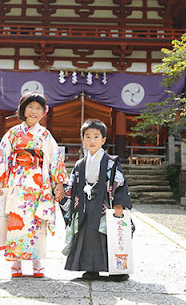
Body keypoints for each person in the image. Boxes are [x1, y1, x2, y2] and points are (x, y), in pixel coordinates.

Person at [0, 92, 67, 278]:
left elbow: (55, 158)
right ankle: (15, 261)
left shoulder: (45, 134)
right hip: (18, 183)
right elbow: (3, 155)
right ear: (23, 109)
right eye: (30, 107)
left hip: (39, 184)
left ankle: (37, 260)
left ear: (44, 112)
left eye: (39, 108)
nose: (34, 111)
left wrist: (59, 183)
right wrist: (0, 179)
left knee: (37, 222)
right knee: (16, 221)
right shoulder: (13, 133)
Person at [62, 119, 132, 281]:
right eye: (87, 137)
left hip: (105, 205)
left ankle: (117, 270)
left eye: (96, 136)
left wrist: (119, 204)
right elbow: (72, 185)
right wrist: (61, 192)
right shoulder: (80, 164)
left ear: (103, 140)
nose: (91, 141)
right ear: (82, 139)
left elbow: (119, 182)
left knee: (108, 235)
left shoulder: (111, 162)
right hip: (86, 206)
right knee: (87, 236)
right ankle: (90, 268)